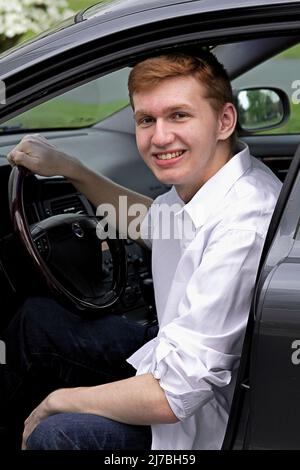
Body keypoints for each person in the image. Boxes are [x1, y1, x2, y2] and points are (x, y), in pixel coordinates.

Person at [3, 51, 282, 450]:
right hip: (172, 356)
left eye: (179, 115)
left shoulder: (243, 224)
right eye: (146, 120)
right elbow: (153, 223)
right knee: (38, 321)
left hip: (210, 422)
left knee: (58, 433)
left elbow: (174, 395)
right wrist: (73, 170)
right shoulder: (215, 183)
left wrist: (56, 402)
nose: (160, 137)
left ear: (224, 121)